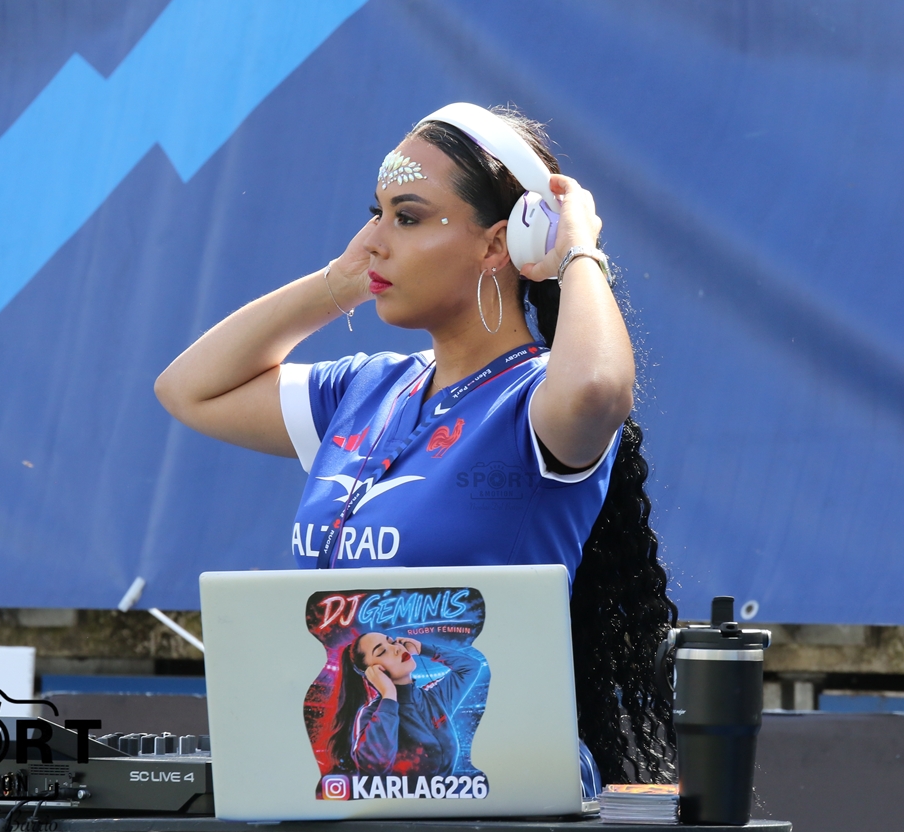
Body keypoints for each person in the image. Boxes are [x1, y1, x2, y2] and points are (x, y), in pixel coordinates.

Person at [156, 105, 676, 782]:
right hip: (350, 791)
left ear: (500, 245)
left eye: (407, 217)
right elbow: (188, 389)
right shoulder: (368, 388)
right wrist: (344, 280)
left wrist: (577, 249)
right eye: (375, 214)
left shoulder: (535, 400)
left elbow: (599, 389)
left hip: (499, 803)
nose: (376, 239)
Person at [329, 633, 482, 775]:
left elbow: (471, 666)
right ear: (372, 672)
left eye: (392, 642)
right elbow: (374, 766)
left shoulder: (435, 697)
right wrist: (389, 695)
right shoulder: (371, 714)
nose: (396, 648)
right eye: (382, 651)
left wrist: (423, 649)